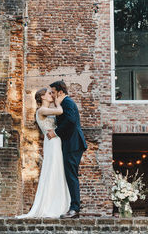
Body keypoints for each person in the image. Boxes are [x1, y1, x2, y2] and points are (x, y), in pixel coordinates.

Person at [16, 87, 71, 218]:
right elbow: (60, 111)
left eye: (52, 93)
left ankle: (60, 203)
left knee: (57, 170)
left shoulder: (46, 111)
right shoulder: (41, 110)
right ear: (42, 97)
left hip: (55, 141)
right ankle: (50, 205)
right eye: (49, 93)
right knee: (52, 169)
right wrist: (59, 101)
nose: (52, 95)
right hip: (52, 143)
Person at [46, 80, 87, 219]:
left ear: (60, 92)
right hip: (70, 144)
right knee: (70, 175)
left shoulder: (68, 103)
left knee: (71, 175)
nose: (51, 94)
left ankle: (75, 208)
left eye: (53, 92)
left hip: (73, 144)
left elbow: (70, 121)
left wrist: (55, 132)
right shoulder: (62, 104)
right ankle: (72, 206)